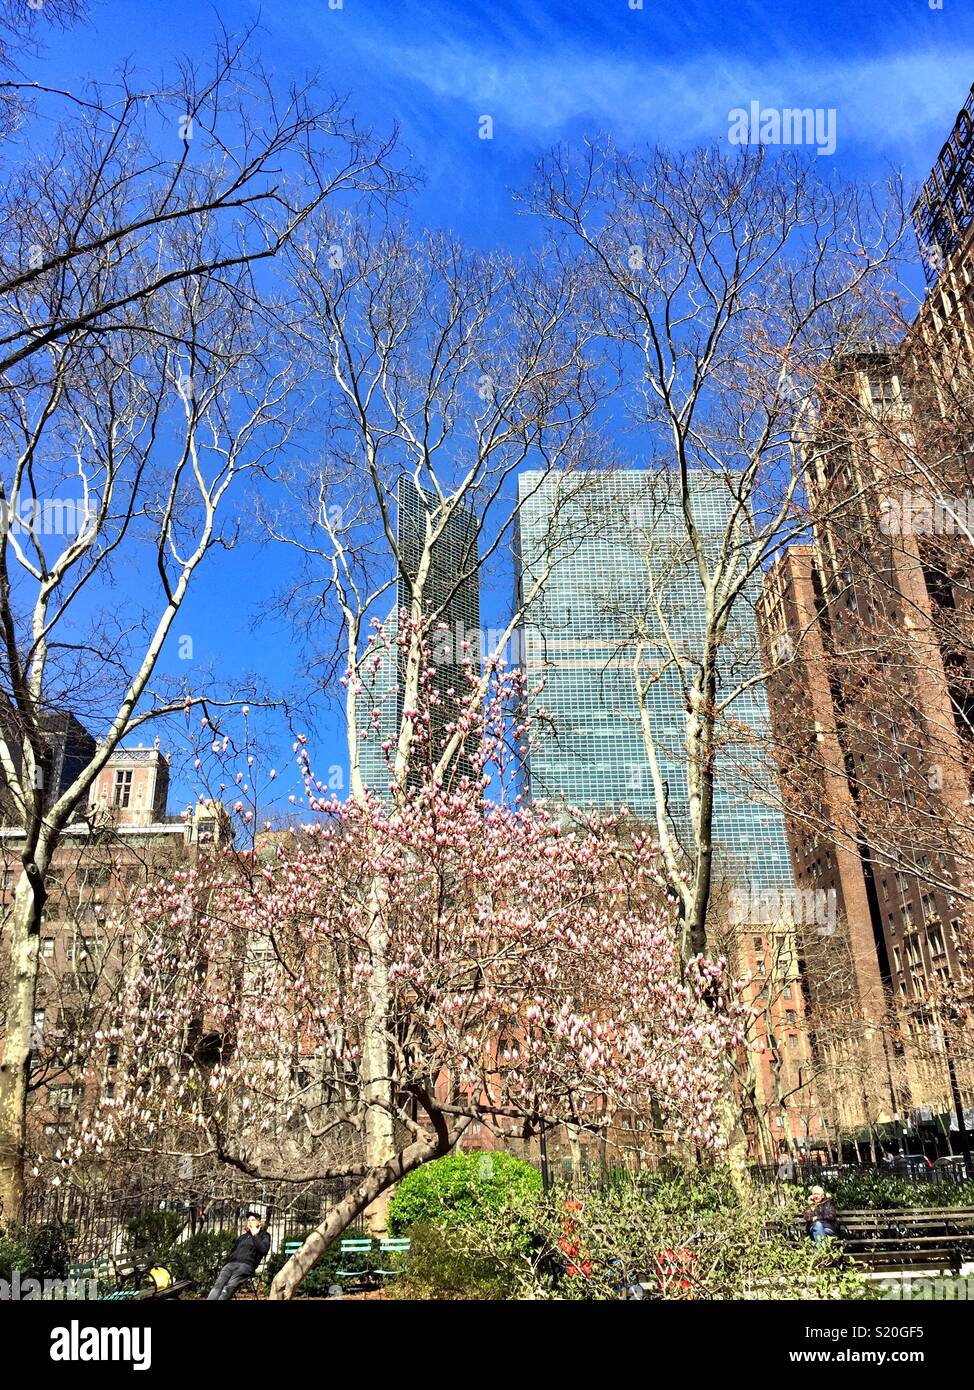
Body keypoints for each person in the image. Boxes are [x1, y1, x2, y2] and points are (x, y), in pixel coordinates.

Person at [207, 1211, 270, 1300]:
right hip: (231, 1264)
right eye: (248, 1220)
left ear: (259, 1222)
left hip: (245, 1266)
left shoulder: (264, 1236)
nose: (250, 1222)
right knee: (217, 1287)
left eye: (253, 1220)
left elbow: (263, 1250)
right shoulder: (242, 1237)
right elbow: (233, 1250)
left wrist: (255, 1234)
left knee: (227, 1289)